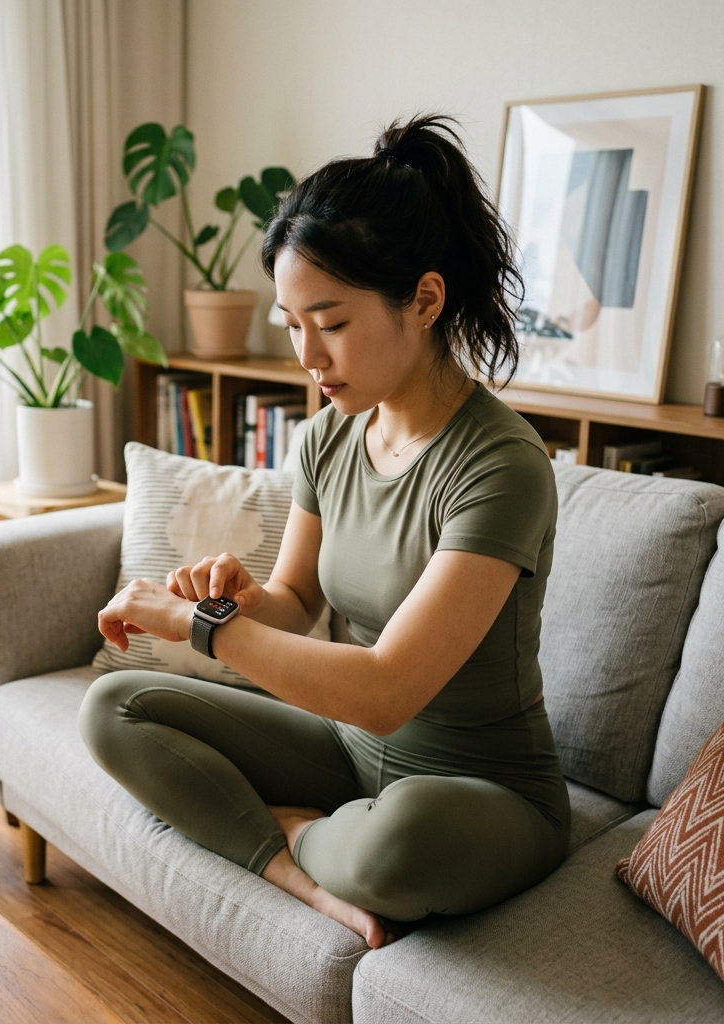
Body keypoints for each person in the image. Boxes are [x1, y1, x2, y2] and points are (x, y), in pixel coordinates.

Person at [78, 114, 569, 950]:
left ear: (424, 299)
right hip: (346, 753)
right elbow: (296, 600)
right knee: (114, 706)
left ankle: (310, 835)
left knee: (400, 841)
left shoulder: (501, 467)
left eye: (331, 322)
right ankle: (293, 862)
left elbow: (385, 691)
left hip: (479, 790)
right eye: (291, 322)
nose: (307, 355)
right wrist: (234, 599)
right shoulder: (327, 437)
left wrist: (199, 629)